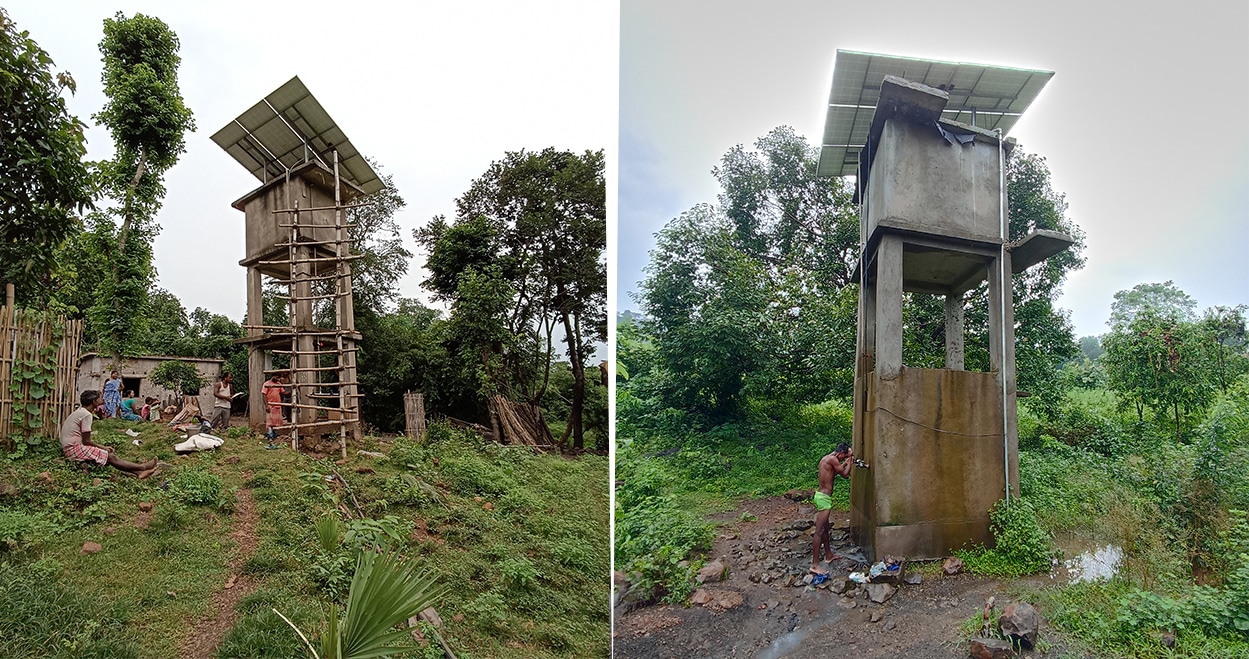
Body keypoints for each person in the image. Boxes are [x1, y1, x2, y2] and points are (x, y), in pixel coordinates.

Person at [61, 390, 158, 477]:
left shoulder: (81, 411)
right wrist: (103, 447)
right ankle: (143, 467)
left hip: (70, 446)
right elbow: (86, 441)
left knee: (107, 455)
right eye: (99, 398)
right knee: (110, 456)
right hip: (73, 448)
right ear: (94, 401)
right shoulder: (86, 415)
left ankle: (139, 472)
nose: (102, 399)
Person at [810, 442, 854, 576]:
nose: (842, 459)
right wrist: (850, 462)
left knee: (825, 528)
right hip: (824, 499)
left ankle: (828, 555)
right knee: (818, 532)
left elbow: (834, 472)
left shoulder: (828, 458)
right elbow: (845, 475)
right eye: (844, 456)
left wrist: (845, 462)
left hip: (821, 496)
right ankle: (815, 565)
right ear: (841, 453)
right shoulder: (834, 460)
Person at [261, 373, 288, 449]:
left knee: (276, 423)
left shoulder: (278, 384)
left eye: (279, 378)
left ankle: (274, 437)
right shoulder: (266, 384)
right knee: (270, 423)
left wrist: (292, 390)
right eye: (277, 377)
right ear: (273, 376)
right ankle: (270, 438)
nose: (278, 379)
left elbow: (284, 392)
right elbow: (264, 395)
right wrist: (267, 406)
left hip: (277, 406)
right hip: (271, 406)